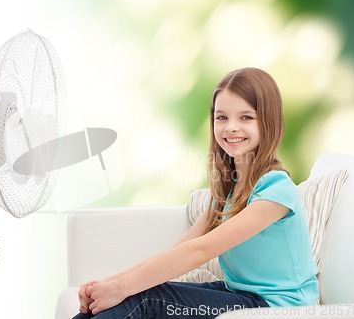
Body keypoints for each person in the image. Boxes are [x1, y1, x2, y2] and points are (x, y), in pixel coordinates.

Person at [72, 67, 319, 319]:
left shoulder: (275, 189)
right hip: (239, 295)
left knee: (144, 299)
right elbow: (181, 248)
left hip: (276, 308)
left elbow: (199, 251)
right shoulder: (229, 188)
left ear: (269, 120)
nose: (231, 127)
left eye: (245, 117)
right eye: (222, 117)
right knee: (131, 296)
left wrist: (121, 288)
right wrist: (104, 286)